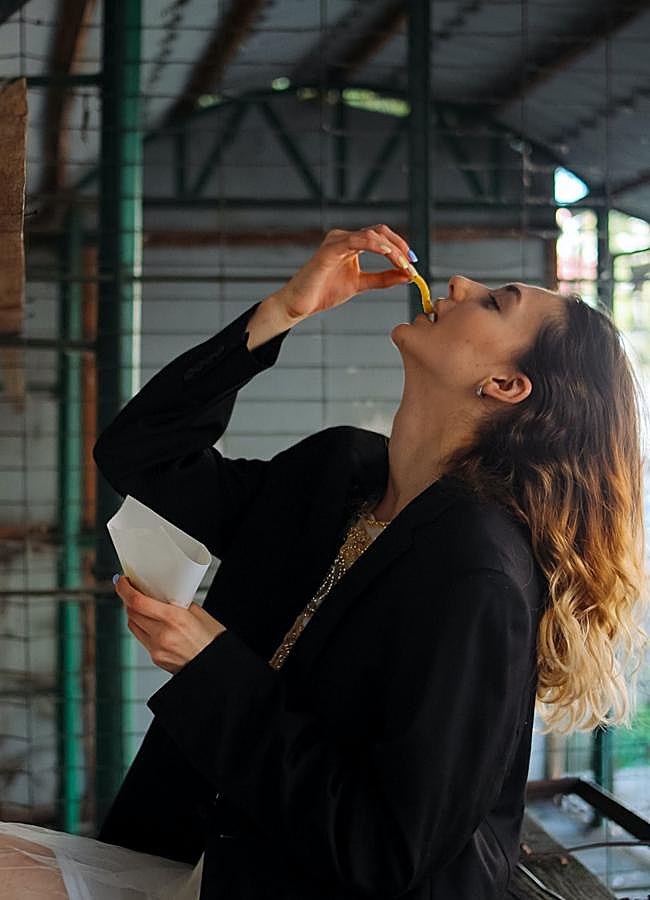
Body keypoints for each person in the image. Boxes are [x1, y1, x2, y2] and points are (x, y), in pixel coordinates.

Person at [0, 224, 646, 900]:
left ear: (506, 383)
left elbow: (389, 853)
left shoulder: (478, 572)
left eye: (494, 302)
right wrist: (283, 311)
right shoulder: (338, 472)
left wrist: (210, 668)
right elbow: (140, 455)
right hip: (205, 853)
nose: (460, 286)